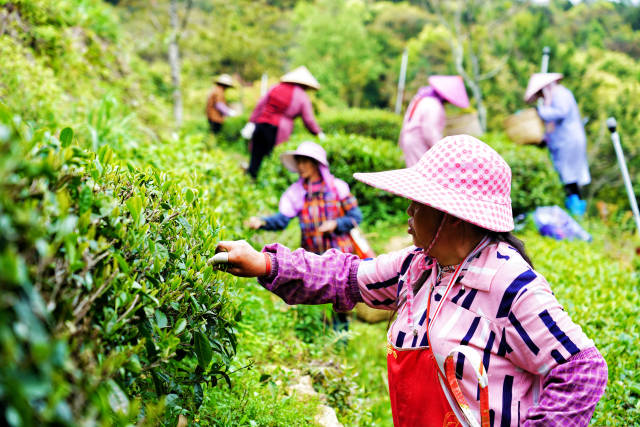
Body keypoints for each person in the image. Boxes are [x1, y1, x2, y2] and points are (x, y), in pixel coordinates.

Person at [215, 135, 607, 426]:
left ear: (451, 216)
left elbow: (583, 370)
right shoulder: (419, 267)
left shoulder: (510, 285)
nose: (408, 212)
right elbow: (346, 277)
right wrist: (266, 264)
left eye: (418, 205)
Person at [247, 141, 362, 333]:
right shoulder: (297, 192)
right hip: (313, 255)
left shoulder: (338, 188)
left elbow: (356, 217)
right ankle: (317, 336)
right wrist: (263, 222)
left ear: (316, 164)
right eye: (298, 162)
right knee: (315, 295)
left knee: (340, 296)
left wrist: (336, 224)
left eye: (305, 162)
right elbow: (283, 220)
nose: (300, 167)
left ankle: (340, 336)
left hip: (340, 253)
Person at [525, 73, 590, 216]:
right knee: (567, 178)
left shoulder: (560, 93)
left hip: (569, 141)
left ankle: (576, 211)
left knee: (570, 177)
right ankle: (574, 209)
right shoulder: (552, 97)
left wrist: (539, 111)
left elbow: (561, 112)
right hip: (562, 141)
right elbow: (551, 125)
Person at [244, 66, 325, 179]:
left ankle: (251, 178)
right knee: (274, 156)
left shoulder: (275, 87)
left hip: (261, 124)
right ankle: (269, 181)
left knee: (256, 155)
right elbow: (308, 119)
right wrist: (318, 132)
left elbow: (260, 105)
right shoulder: (302, 96)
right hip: (278, 129)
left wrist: (251, 122)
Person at [398, 75, 470, 167]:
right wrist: (442, 151)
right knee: (421, 174)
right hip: (419, 143)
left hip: (409, 140)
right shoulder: (433, 105)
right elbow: (430, 132)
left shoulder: (421, 97)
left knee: (413, 171)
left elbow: (407, 120)